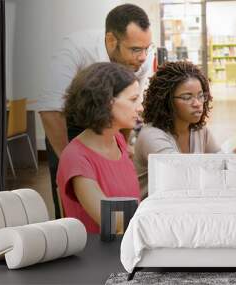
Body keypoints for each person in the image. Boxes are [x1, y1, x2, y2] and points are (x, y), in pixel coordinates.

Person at [36, 4, 153, 218]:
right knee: (72, 192)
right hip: (67, 119)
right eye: (136, 49)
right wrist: (70, 162)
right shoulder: (75, 48)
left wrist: (122, 143)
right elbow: (50, 108)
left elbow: (129, 104)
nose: (144, 56)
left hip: (113, 120)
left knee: (116, 182)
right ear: (111, 40)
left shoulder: (141, 57)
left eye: (147, 48)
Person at [134, 61, 236, 198]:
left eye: (201, 96)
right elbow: (185, 176)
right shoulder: (153, 136)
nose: (197, 103)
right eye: (187, 97)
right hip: (157, 214)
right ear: (165, 100)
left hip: (185, 203)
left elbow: (218, 164)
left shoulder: (198, 130)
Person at [56, 62, 142, 233]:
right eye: (133, 100)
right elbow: (110, 222)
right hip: (97, 256)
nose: (140, 107)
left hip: (126, 246)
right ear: (106, 102)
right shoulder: (76, 158)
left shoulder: (117, 140)